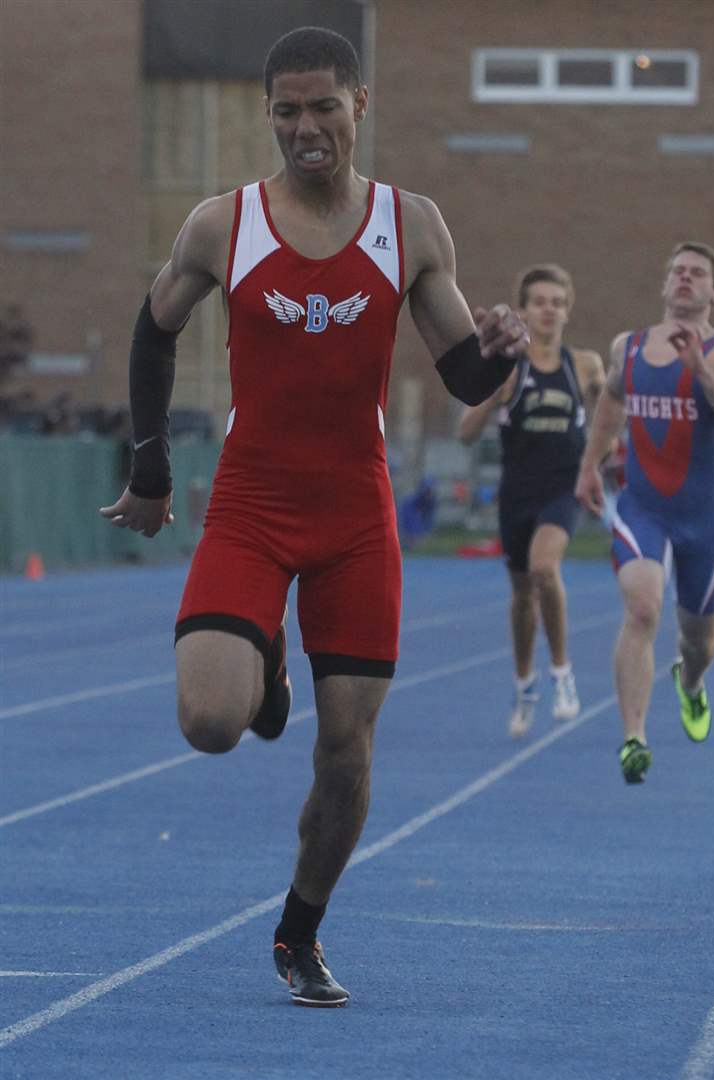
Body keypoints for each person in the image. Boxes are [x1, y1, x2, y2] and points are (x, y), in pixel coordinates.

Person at [99, 27, 528, 1008]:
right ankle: (265, 659)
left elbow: (460, 365)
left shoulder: (411, 225)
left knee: (346, 754)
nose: (305, 128)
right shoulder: (223, 224)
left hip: (354, 519)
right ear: (269, 115)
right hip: (251, 507)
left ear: (359, 107)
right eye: (286, 111)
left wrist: (499, 357)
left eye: (323, 107)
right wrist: (152, 468)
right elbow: (153, 326)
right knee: (212, 720)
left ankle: (300, 931)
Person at [575, 242, 714, 784]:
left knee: (698, 640)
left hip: (703, 518)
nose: (685, 278)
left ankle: (692, 684)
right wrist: (591, 464)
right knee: (641, 608)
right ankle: (633, 739)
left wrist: (702, 372)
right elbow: (612, 399)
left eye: (697, 273)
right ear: (664, 285)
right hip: (643, 508)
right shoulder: (628, 347)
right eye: (677, 271)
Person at [458, 264, 604, 738]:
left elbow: (611, 414)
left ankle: (563, 672)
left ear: (568, 310)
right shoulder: (509, 368)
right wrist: (490, 389)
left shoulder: (582, 366)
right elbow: (464, 434)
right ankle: (525, 683)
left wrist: (606, 458)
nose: (549, 310)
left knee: (545, 569)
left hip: (563, 489)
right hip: (516, 492)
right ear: (522, 311)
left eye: (557, 302)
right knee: (522, 596)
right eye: (540, 302)